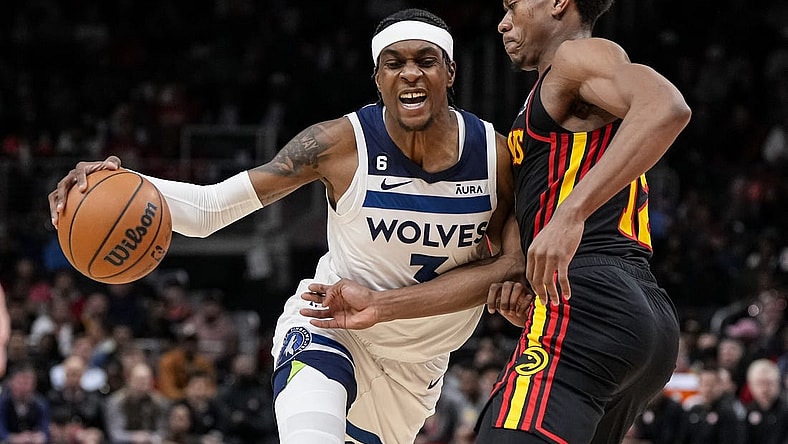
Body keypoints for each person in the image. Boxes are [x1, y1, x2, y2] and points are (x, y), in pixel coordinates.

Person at [48, 8, 527, 443]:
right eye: (394, 63)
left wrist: (387, 305)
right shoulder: (337, 144)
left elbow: (512, 265)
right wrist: (119, 181)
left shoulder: (496, 157)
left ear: (450, 72)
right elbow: (210, 210)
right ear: (377, 78)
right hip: (329, 325)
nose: (410, 74)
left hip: (415, 370)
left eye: (425, 60)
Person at [469, 0, 692, 442]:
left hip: (591, 294)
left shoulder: (577, 57)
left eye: (514, 5)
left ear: (558, 3)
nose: (503, 22)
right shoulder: (556, 94)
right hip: (638, 308)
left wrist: (571, 213)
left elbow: (667, 106)